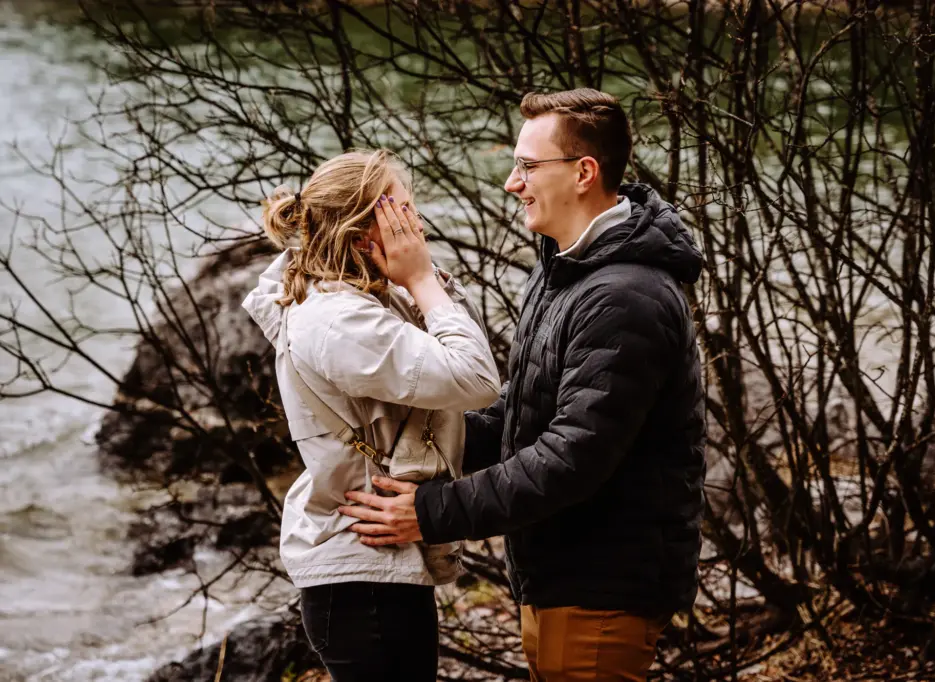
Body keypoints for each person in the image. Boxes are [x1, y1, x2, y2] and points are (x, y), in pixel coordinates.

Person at [340, 89, 707, 681]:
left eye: (528, 166)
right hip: (560, 571)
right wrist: (399, 442)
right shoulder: (567, 267)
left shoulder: (625, 296)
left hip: (602, 580)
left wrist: (431, 512)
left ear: (584, 172)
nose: (513, 183)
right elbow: (522, 414)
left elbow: (571, 458)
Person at [241, 149, 501, 682]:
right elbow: (476, 381)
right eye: (402, 213)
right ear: (364, 236)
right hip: (360, 576)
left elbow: (454, 398)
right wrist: (424, 281)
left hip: (376, 567)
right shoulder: (341, 321)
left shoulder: (363, 304)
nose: (416, 227)